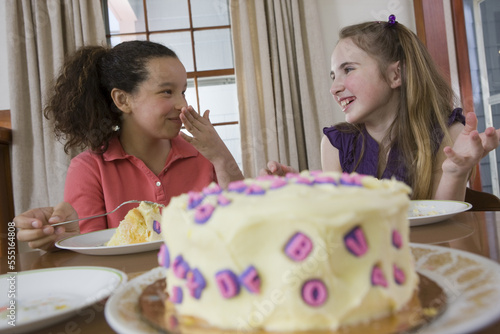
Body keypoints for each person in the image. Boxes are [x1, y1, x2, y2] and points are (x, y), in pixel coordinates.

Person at [14, 40, 244, 251]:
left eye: (183, 92)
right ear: (123, 100)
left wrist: (222, 158)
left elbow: (245, 223)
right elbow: (90, 252)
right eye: (167, 92)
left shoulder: (205, 154)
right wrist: (61, 239)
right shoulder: (89, 168)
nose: (182, 105)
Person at [262, 15, 500, 201]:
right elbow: (340, 222)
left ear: (396, 74)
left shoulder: (449, 135)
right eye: (333, 75)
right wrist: (300, 192)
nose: (334, 88)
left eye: (348, 69)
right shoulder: (336, 146)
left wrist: (454, 174)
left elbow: (445, 230)